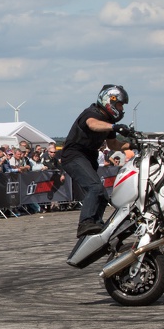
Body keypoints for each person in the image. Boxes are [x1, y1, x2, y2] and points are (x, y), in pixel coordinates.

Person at [61, 85, 131, 238]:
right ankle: (85, 223)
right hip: (74, 155)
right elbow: (92, 124)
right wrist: (115, 127)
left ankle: (96, 224)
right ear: (110, 101)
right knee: (95, 188)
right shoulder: (92, 113)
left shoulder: (108, 120)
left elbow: (113, 145)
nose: (121, 108)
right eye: (120, 104)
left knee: (103, 195)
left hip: (88, 157)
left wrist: (132, 143)